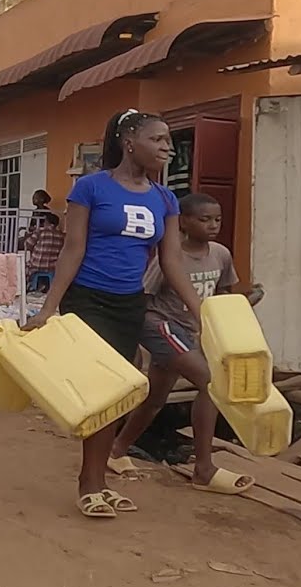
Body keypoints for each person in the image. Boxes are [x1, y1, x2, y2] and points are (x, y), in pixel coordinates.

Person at [22, 110, 203, 519]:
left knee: (120, 392)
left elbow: (171, 260)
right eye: (158, 139)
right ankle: (91, 483)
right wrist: (49, 308)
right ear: (129, 142)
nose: (167, 148)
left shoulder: (165, 199)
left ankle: (98, 475)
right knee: (106, 388)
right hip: (88, 300)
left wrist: (199, 309)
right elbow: (73, 249)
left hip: (129, 302)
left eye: (169, 141)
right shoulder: (90, 188)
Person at [109, 192, 264, 493]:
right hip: (161, 325)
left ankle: (116, 451)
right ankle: (203, 469)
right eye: (204, 219)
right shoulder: (170, 257)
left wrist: (247, 302)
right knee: (209, 381)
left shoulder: (220, 254)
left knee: (155, 399)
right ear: (183, 222)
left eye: (217, 219)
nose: (212, 225)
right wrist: (131, 343)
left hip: (190, 331)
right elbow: (144, 298)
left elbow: (223, 298)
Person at [23, 212, 65, 292]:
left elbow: (28, 244)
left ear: (47, 222)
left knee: (23, 267)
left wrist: (27, 237)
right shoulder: (60, 235)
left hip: (37, 265)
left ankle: (28, 287)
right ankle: (43, 285)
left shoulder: (41, 231)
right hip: (53, 266)